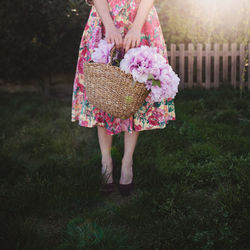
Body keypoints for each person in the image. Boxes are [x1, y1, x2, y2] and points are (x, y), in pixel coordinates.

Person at [71, 0, 176, 196]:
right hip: (105, 19)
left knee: (135, 92)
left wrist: (136, 27)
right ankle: (106, 162)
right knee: (103, 91)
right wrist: (109, 26)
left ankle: (127, 161)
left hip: (140, 19)